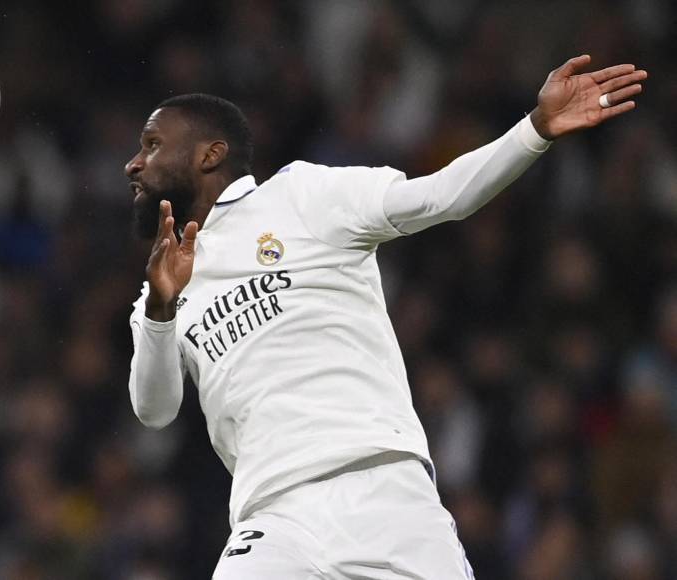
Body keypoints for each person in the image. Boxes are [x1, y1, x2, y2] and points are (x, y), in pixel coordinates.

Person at [124, 55, 647, 579]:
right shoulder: (163, 284)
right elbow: (156, 409)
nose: (134, 164)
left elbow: (441, 196)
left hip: (384, 492)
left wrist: (534, 130)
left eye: (151, 145)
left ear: (210, 154)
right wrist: (161, 309)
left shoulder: (301, 195)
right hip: (273, 519)